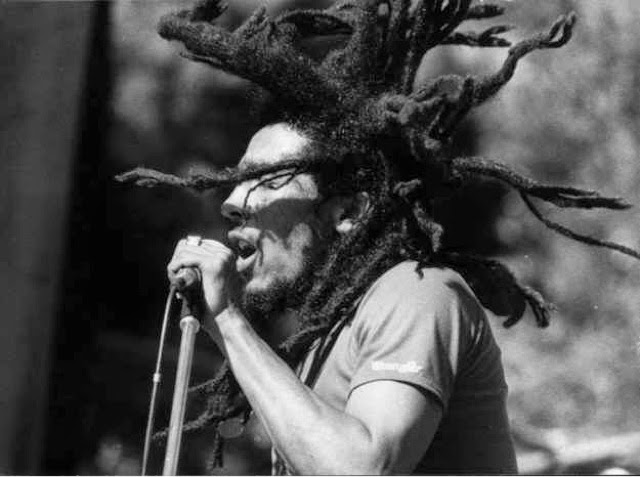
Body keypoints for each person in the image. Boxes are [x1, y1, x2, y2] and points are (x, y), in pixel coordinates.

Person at [117, 0, 640, 473]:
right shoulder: (326, 331)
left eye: (267, 181)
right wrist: (221, 327)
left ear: (347, 212)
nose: (233, 201)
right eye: (238, 179)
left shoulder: (417, 294)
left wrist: (230, 321)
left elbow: (359, 470)